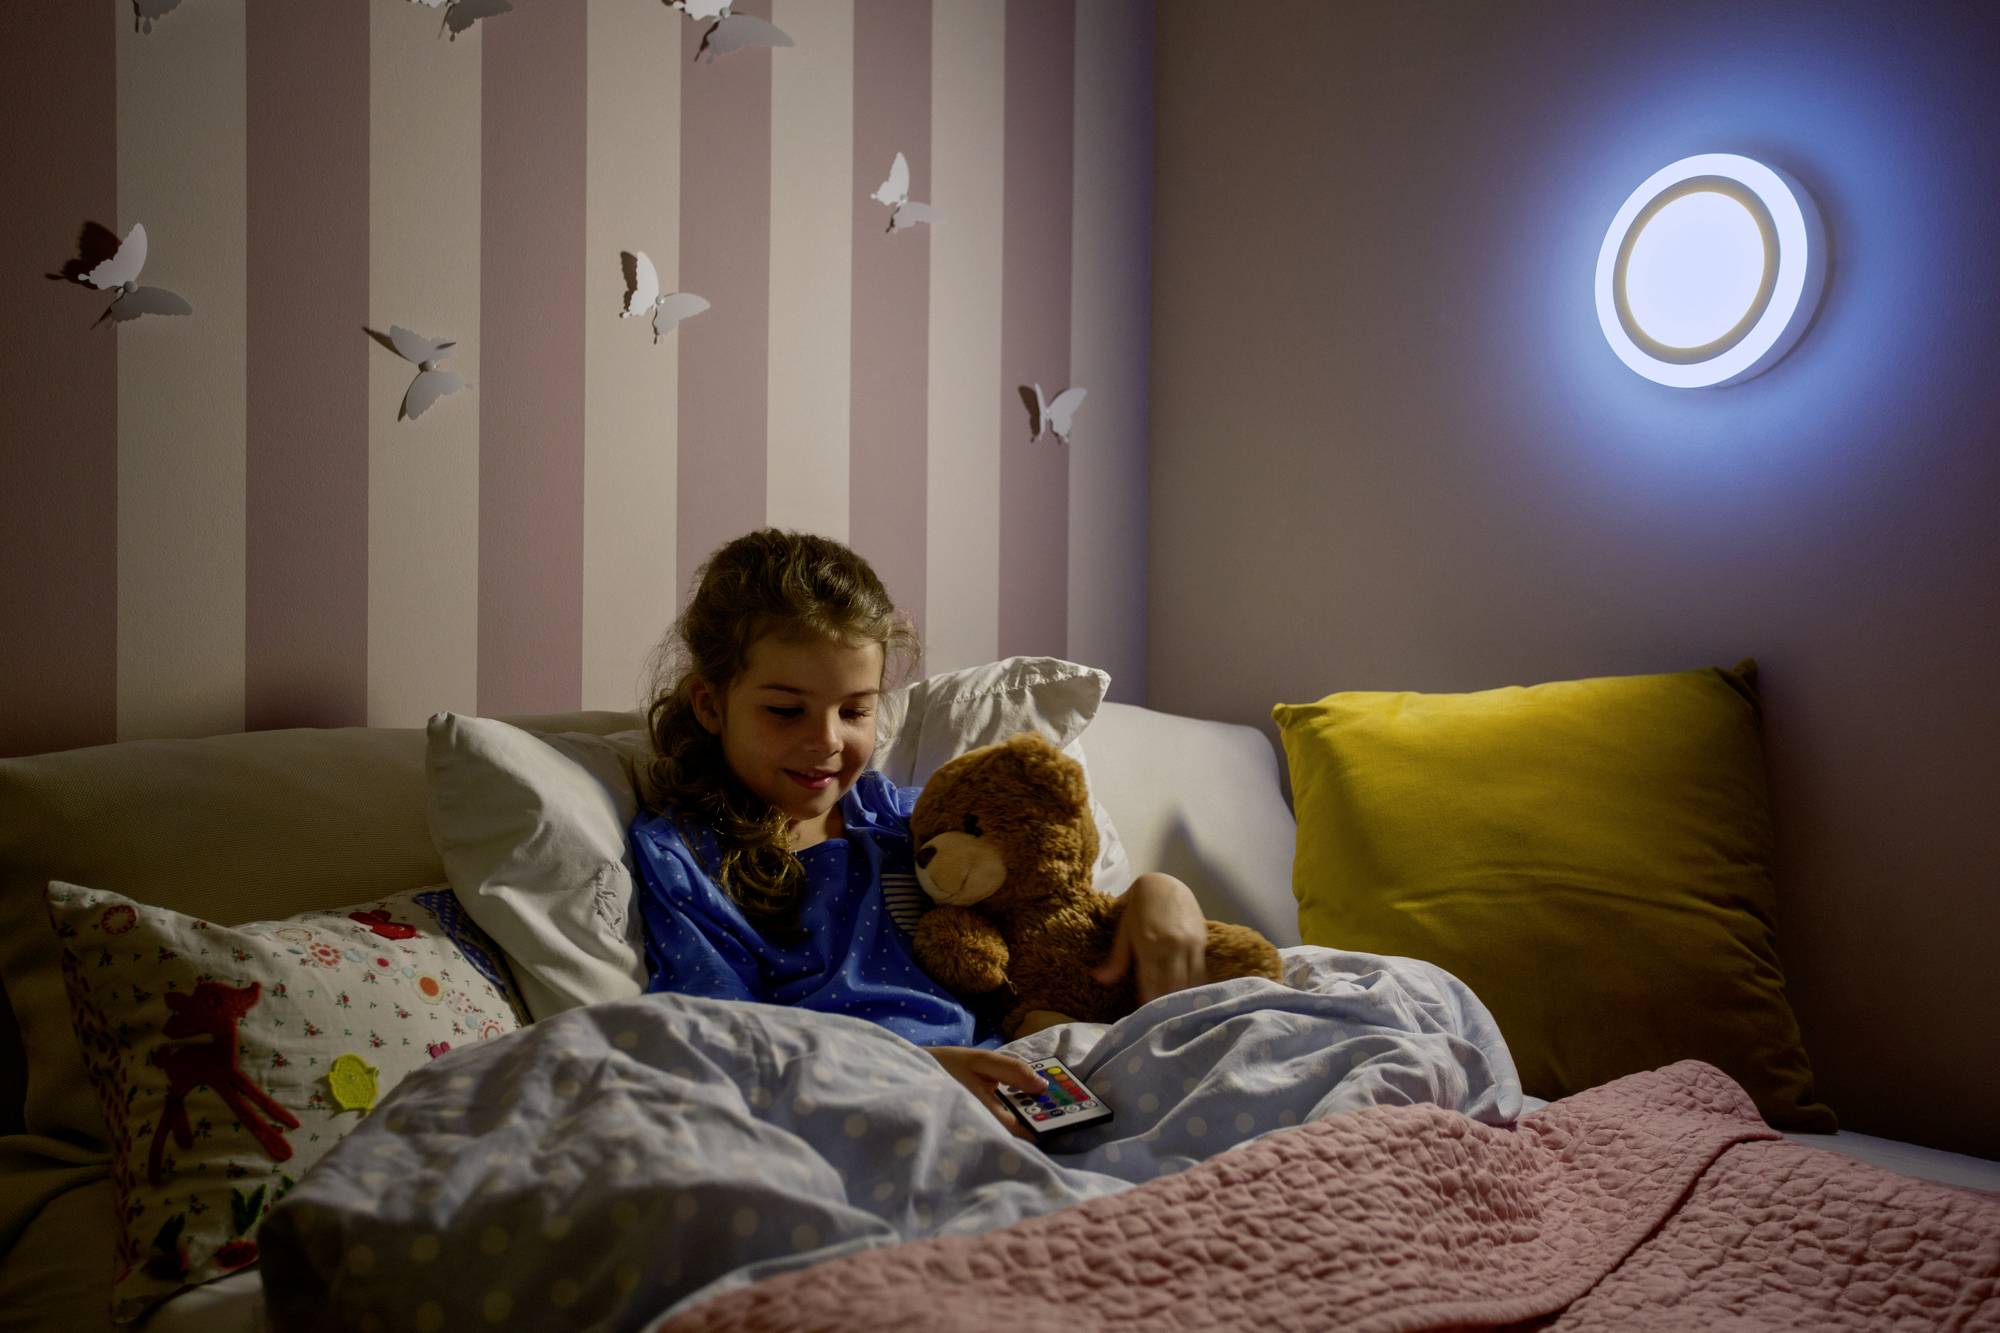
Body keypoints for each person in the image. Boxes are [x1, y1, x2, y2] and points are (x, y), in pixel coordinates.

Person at [630, 528, 1214, 1138]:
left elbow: (1055, 906)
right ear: (709, 704)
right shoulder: (686, 856)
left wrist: (1159, 892)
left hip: (1012, 1078)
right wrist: (920, 1073)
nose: (828, 740)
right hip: (852, 1107)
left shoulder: (913, 819)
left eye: (854, 711)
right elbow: (721, 1042)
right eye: (785, 710)